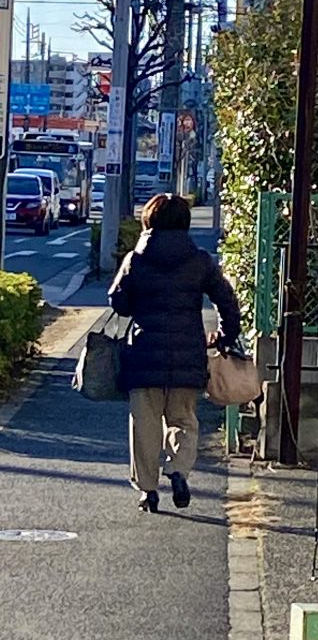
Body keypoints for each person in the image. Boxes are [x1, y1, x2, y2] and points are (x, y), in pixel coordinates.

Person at [108, 193, 240, 513]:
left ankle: (148, 491)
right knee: (183, 420)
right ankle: (178, 470)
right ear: (185, 222)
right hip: (187, 354)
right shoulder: (200, 260)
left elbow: (118, 302)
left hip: (144, 355)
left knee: (145, 425)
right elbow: (227, 301)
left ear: (148, 220)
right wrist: (225, 336)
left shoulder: (136, 260)